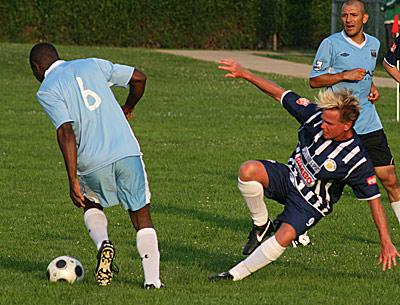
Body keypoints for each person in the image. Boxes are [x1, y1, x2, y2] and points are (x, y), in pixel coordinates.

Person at [209, 59, 399, 282]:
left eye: (329, 123)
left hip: (310, 203)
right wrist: (245, 74)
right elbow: (280, 94)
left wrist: (385, 241)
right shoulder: (316, 117)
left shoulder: (357, 160)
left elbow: (374, 200)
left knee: (285, 236)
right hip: (290, 178)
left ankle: (233, 275)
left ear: (347, 125)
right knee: (248, 170)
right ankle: (261, 224)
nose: (323, 125)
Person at [29, 43, 163, 288]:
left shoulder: (47, 89)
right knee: (141, 215)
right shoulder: (91, 63)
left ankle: (103, 244)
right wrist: (129, 106)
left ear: (37, 68)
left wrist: (72, 180)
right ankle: (152, 281)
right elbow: (139, 78)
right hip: (126, 152)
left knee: (91, 202)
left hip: (91, 161)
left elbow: (66, 131)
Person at [309, 0, 400, 228]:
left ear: (364, 18)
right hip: (340, 127)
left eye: (353, 15)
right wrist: (343, 75)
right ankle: (297, 228)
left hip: (369, 122)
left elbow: (366, 74)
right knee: (323, 186)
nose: (348, 20)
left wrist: (372, 88)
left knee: (389, 178)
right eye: (345, 16)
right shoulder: (330, 44)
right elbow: (314, 80)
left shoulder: (375, 44)